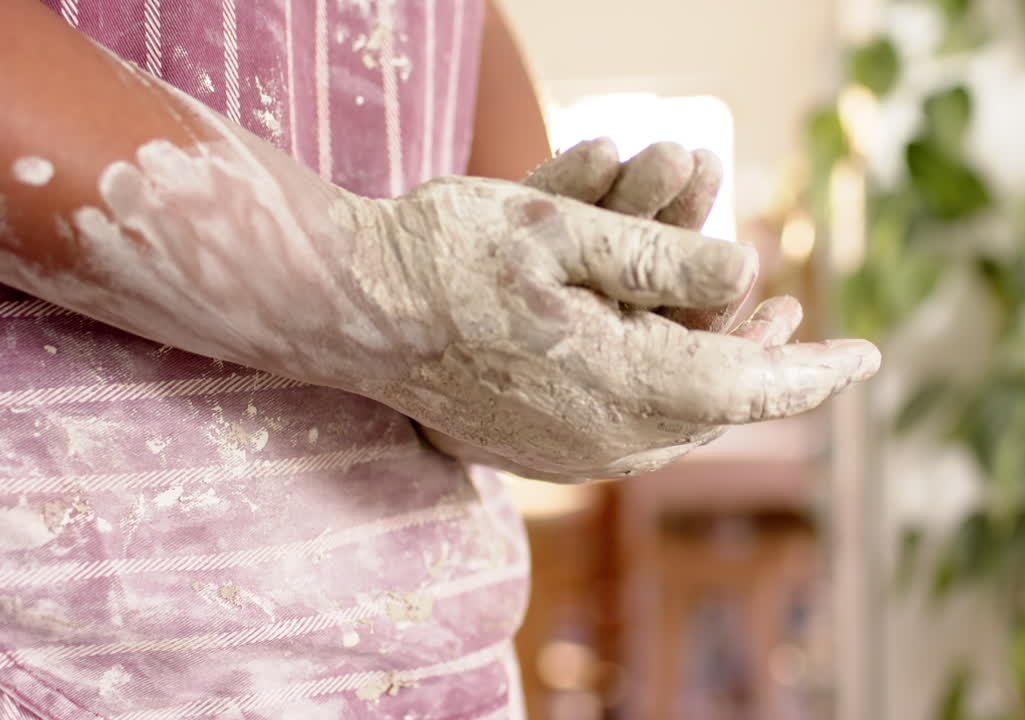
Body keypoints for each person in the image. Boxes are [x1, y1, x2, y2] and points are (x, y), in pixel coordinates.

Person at [0, 0, 882, 717]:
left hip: (441, 651)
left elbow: (450, 37)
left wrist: (558, 336)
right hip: (67, 651)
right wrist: (369, 280)